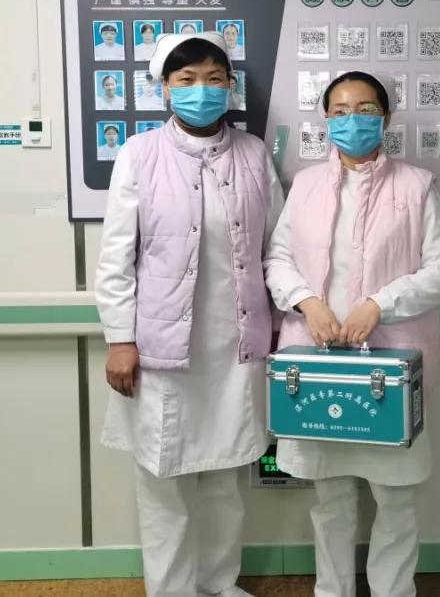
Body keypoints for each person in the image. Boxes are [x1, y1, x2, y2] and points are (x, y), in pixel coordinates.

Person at [96, 31, 283, 597]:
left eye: (214, 78)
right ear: (165, 89)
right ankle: (172, 590)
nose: (202, 90)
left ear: (230, 86)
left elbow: (276, 246)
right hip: (161, 349)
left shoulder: (253, 154)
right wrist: (120, 339)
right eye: (187, 79)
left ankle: (220, 584)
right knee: (164, 480)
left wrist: (284, 329)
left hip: (237, 346)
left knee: (226, 478)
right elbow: (116, 256)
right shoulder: (139, 154)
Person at [264, 71, 440, 597]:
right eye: (341, 111)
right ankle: (333, 591)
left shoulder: (417, 186)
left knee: (397, 498)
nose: (353, 120)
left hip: (390, 367)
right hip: (318, 362)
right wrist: (307, 302)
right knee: (329, 497)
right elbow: (278, 258)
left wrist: (379, 304)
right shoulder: (305, 185)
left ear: (386, 118)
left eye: (367, 110)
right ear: (326, 119)